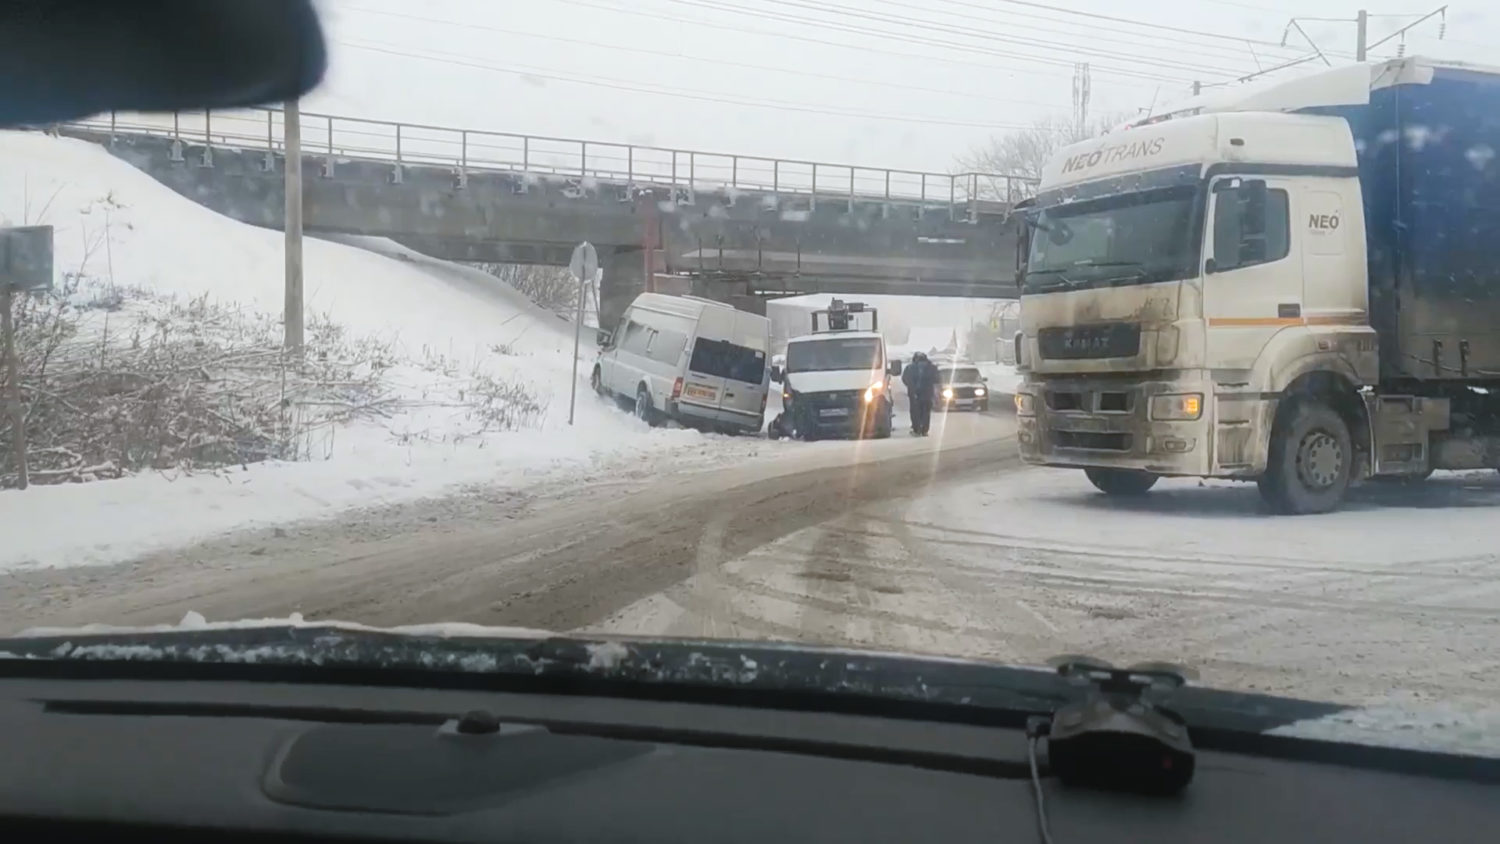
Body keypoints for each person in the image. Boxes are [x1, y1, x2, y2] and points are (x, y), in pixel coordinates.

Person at [901, 352, 937, 436]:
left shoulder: (910, 368)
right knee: (926, 412)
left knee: (915, 412)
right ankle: (925, 430)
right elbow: (937, 379)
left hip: (914, 394)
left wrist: (910, 387)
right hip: (927, 394)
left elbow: (904, 379)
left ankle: (917, 429)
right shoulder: (932, 368)